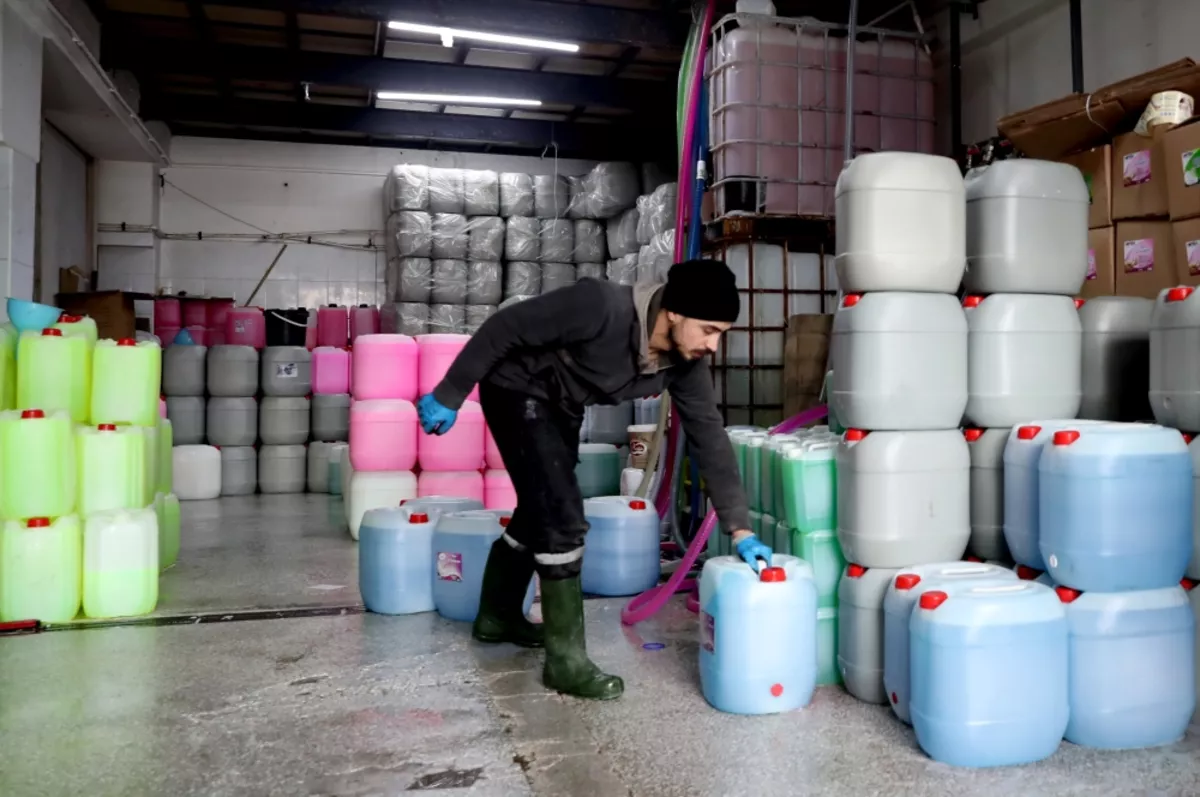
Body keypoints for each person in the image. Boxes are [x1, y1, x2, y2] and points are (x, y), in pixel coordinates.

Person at [416, 260, 771, 701]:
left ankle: (497, 617)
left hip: (561, 403)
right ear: (674, 312)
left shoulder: (683, 362)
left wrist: (740, 527)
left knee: (541, 506)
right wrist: (450, 393)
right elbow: (503, 327)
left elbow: (709, 438)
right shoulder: (600, 306)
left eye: (722, 334)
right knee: (562, 516)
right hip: (515, 387)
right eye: (709, 329)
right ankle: (565, 662)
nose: (713, 345)